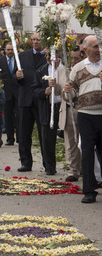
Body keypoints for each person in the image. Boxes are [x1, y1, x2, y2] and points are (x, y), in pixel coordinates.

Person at [63, 35, 102, 203]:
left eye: (99, 46)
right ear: (85, 50)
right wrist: (67, 90)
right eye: (94, 46)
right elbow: (71, 96)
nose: (98, 49)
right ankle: (89, 190)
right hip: (86, 116)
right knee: (87, 152)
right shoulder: (78, 68)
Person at [16, 33, 46, 172]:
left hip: (42, 99)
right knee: (23, 133)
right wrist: (18, 77)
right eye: (33, 40)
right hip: (25, 98)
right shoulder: (22, 56)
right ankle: (26, 162)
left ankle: (48, 164)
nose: (35, 42)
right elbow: (15, 76)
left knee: (44, 134)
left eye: (38, 40)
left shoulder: (50, 56)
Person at [32, 48, 62, 175]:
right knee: (47, 139)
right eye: (47, 55)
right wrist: (44, 91)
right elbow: (34, 90)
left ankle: (76, 167)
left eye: (51, 54)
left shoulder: (64, 68)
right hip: (48, 107)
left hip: (62, 106)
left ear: (58, 54)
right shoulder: (41, 71)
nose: (49, 57)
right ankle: (49, 166)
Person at [58, 47, 82, 182]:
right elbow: (58, 92)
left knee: (84, 142)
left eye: (76, 58)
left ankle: (86, 167)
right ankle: (72, 170)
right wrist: (54, 86)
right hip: (67, 110)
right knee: (70, 143)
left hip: (81, 109)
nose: (73, 61)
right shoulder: (62, 71)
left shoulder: (82, 69)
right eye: (71, 58)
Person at [0, 42, 19, 145]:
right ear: (4, 50)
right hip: (6, 92)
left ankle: (20, 138)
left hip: (18, 92)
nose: (10, 51)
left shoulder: (19, 60)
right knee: (8, 116)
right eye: (8, 50)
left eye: (12, 49)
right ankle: (10, 139)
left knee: (19, 116)